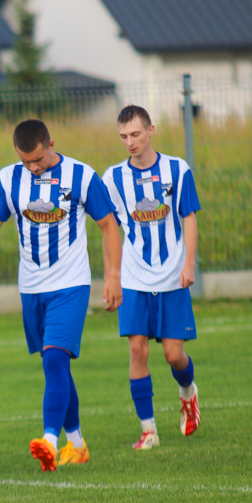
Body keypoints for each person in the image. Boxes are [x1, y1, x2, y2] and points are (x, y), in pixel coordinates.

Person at [0, 119, 123, 472]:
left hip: (71, 284)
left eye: (37, 159)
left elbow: (109, 225)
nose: (32, 168)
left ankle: (49, 440)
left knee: (54, 360)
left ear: (51, 144)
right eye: (26, 162)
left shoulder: (81, 175)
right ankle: (77, 443)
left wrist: (113, 276)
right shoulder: (8, 178)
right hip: (31, 286)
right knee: (56, 366)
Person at [102, 105, 201, 449]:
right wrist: (111, 277)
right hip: (133, 277)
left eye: (135, 134)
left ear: (151, 130)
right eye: (124, 136)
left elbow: (189, 217)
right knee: (137, 350)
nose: (129, 142)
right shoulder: (113, 178)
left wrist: (189, 264)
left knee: (174, 355)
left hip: (172, 276)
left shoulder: (177, 168)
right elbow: (109, 229)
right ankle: (149, 430)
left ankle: (188, 393)